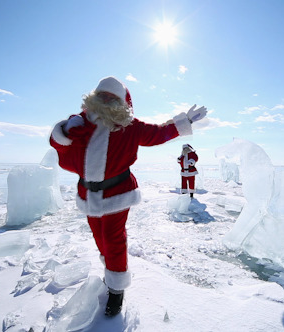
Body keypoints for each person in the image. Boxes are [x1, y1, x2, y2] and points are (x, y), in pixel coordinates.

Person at [49, 76, 207, 317]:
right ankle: (110, 270)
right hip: (88, 193)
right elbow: (60, 147)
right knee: (99, 238)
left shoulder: (129, 126)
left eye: (112, 96)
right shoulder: (80, 122)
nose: (106, 99)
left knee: (113, 239)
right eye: (102, 94)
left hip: (117, 192)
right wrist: (62, 131)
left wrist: (183, 121)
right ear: (94, 96)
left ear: (122, 102)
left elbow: (158, 134)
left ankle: (116, 289)